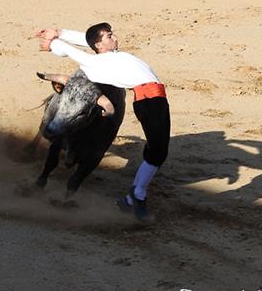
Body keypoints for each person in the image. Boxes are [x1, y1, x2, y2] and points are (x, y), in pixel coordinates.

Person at [36, 23, 170, 222]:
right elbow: (71, 50)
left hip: (155, 98)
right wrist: (55, 43)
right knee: (158, 152)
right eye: (109, 36)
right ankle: (135, 197)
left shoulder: (112, 55)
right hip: (148, 100)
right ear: (99, 45)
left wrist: (60, 32)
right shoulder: (96, 63)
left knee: (157, 152)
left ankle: (134, 197)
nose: (115, 37)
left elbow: (87, 39)